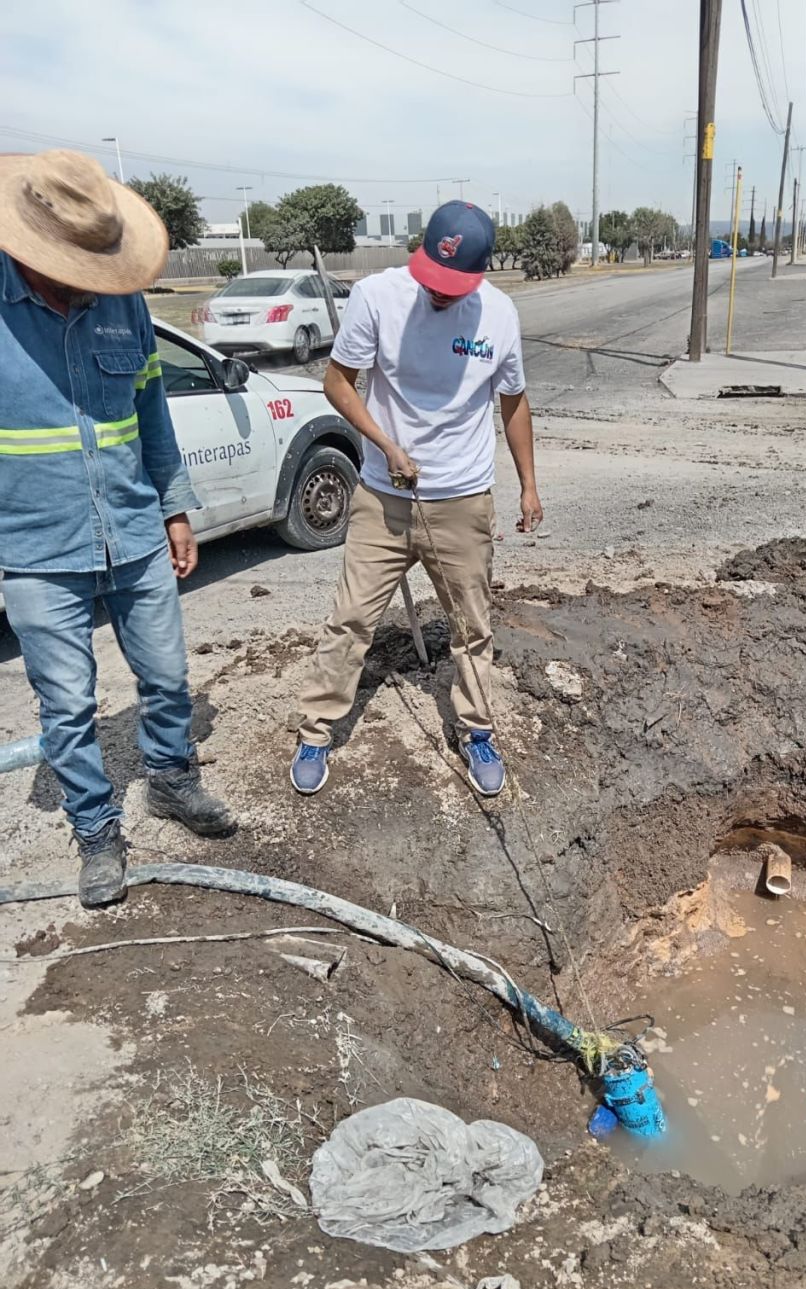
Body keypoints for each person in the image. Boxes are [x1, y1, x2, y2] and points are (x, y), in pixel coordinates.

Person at [0, 149, 235, 909]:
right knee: (67, 706)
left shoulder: (123, 305)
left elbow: (150, 412)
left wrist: (173, 504)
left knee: (167, 675)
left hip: (131, 526)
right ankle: (97, 833)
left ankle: (171, 780)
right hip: (35, 545)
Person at [291, 201, 542, 799]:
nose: (438, 294)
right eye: (432, 278)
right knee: (351, 619)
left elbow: (513, 404)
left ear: (482, 275)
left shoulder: (500, 317)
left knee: (471, 625)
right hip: (385, 495)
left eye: (453, 288)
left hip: (463, 500)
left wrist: (529, 484)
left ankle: (477, 730)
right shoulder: (378, 297)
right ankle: (316, 732)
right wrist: (384, 444)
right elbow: (337, 382)